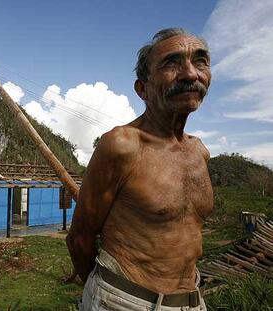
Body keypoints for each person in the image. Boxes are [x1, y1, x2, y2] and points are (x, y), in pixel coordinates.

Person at [66, 28, 214, 311]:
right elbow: (79, 239)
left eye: (200, 61)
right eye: (171, 63)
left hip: (193, 301)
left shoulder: (200, 152)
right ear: (142, 89)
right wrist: (104, 293)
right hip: (126, 300)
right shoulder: (121, 145)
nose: (190, 74)